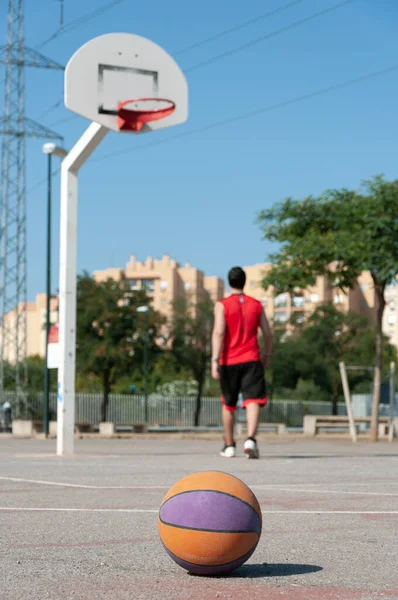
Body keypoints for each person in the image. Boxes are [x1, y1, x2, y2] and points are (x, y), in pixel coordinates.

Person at [211, 266, 273, 459]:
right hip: (252, 359)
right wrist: (267, 354)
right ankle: (250, 440)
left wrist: (214, 360)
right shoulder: (256, 304)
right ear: (244, 281)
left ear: (229, 282)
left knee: (229, 404)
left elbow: (219, 332)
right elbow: (268, 333)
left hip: (229, 360)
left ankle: (229, 446)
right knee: (253, 400)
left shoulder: (222, 305)